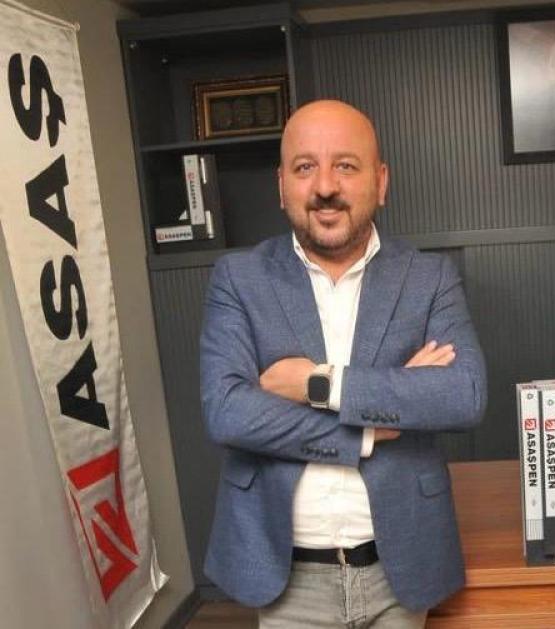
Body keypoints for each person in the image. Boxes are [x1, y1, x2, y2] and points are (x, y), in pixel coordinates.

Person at [199, 99, 487, 628]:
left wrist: (319, 384)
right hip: (286, 575)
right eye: (305, 167)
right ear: (281, 184)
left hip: (399, 566)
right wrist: (370, 430)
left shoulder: (429, 278)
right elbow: (229, 412)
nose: (326, 186)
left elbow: (462, 395)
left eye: (346, 166)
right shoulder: (239, 278)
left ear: (381, 181)